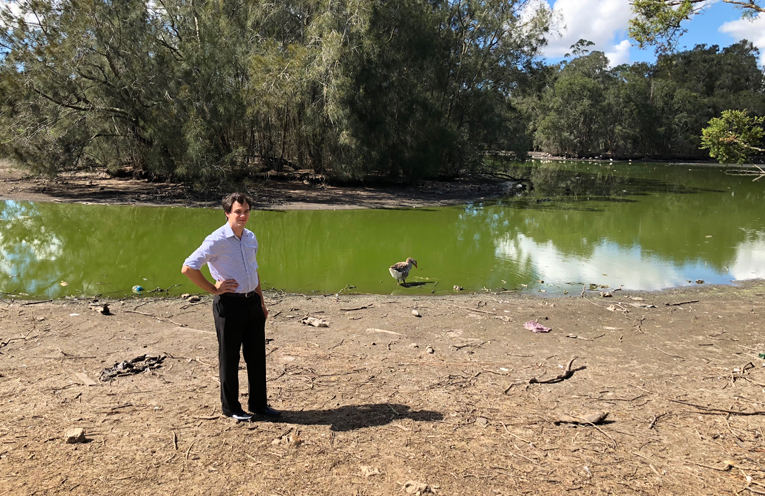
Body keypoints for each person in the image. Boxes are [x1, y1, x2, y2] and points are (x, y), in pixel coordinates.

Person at [181, 192, 280, 422]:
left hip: (252, 303)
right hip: (230, 305)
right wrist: (213, 289)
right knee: (230, 357)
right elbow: (188, 267)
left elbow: (253, 271)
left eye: (246, 211)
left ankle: (258, 404)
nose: (243, 215)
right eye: (238, 211)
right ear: (227, 213)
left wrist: (261, 303)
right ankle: (231, 408)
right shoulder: (216, 240)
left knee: (256, 356)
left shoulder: (250, 238)